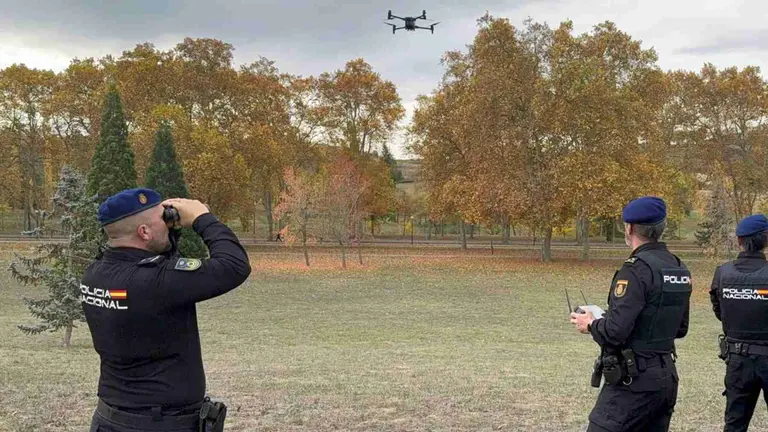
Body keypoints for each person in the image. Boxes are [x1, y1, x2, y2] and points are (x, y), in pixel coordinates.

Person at [81, 188, 251, 431]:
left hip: (109, 419)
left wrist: (169, 235)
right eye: (163, 220)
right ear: (144, 232)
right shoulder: (156, 282)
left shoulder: (94, 275)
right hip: (160, 423)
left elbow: (158, 265)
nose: (168, 223)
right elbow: (234, 265)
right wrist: (203, 218)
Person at [570, 196, 692, 431]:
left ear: (630, 228)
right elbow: (680, 328)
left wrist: (591, 324)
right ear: (662, 227)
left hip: (634, 382)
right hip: (665, 378)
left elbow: (615, 333)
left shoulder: (635, 269)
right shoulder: (678, 267)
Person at [710, 214, 768, 432]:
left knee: (734, 423)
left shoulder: (723, 273)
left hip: (737, 360)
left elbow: (720, 311)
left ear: (739, 241)